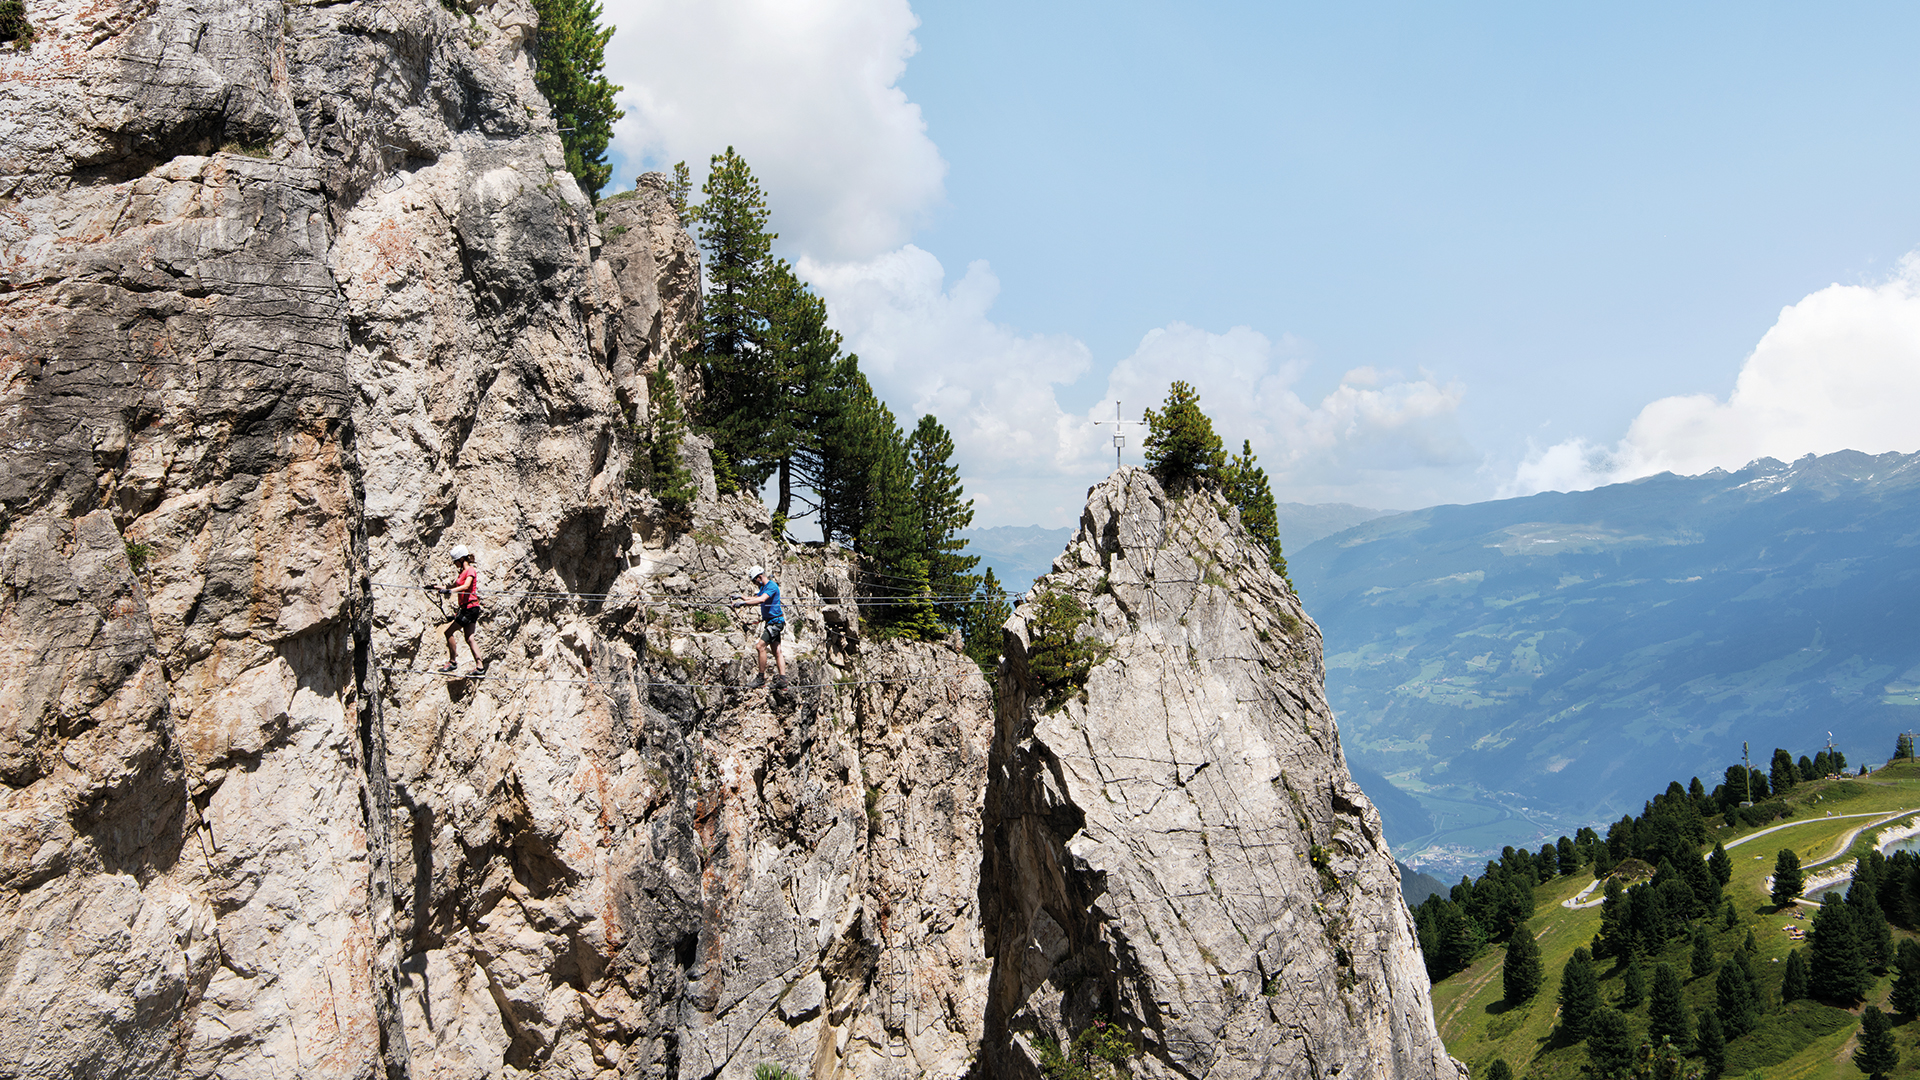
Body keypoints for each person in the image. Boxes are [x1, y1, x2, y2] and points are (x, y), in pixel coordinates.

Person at [730, 564, 787, 688]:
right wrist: (740, 597)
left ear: (759, 577)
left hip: (775, 622)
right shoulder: (764, 587)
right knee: (777, 651)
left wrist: (744, 603)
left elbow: (761, 600)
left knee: (760, 646)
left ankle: (761, 677)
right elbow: (755, 597)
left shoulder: (771, 586)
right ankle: (783, 680)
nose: (755, 583)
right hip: (773, 622)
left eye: (754, 581)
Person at [436, 544, 485, 675]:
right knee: (469, 638)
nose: (454, 564)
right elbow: (454, 585)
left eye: (455, 561)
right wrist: (436, 587)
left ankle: (452, 662)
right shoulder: (462, 573)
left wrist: (450, 591)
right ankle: (480, 666)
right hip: (469, 608)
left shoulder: (470, 570)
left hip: (469, 608)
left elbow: (466, 585)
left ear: (461, 559)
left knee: (448, 632)